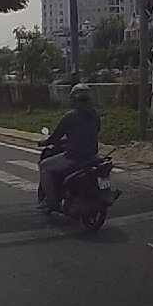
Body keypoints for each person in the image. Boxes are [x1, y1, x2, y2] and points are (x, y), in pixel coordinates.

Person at [38, 83, 101, 211]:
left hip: (74, 157)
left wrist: (45, 142)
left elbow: (55, 137)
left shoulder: (70, 116)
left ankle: (52, 201)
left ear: (73, 99)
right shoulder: (95, 114)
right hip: (93, 156)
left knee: (44, 166)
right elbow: (92, 132)